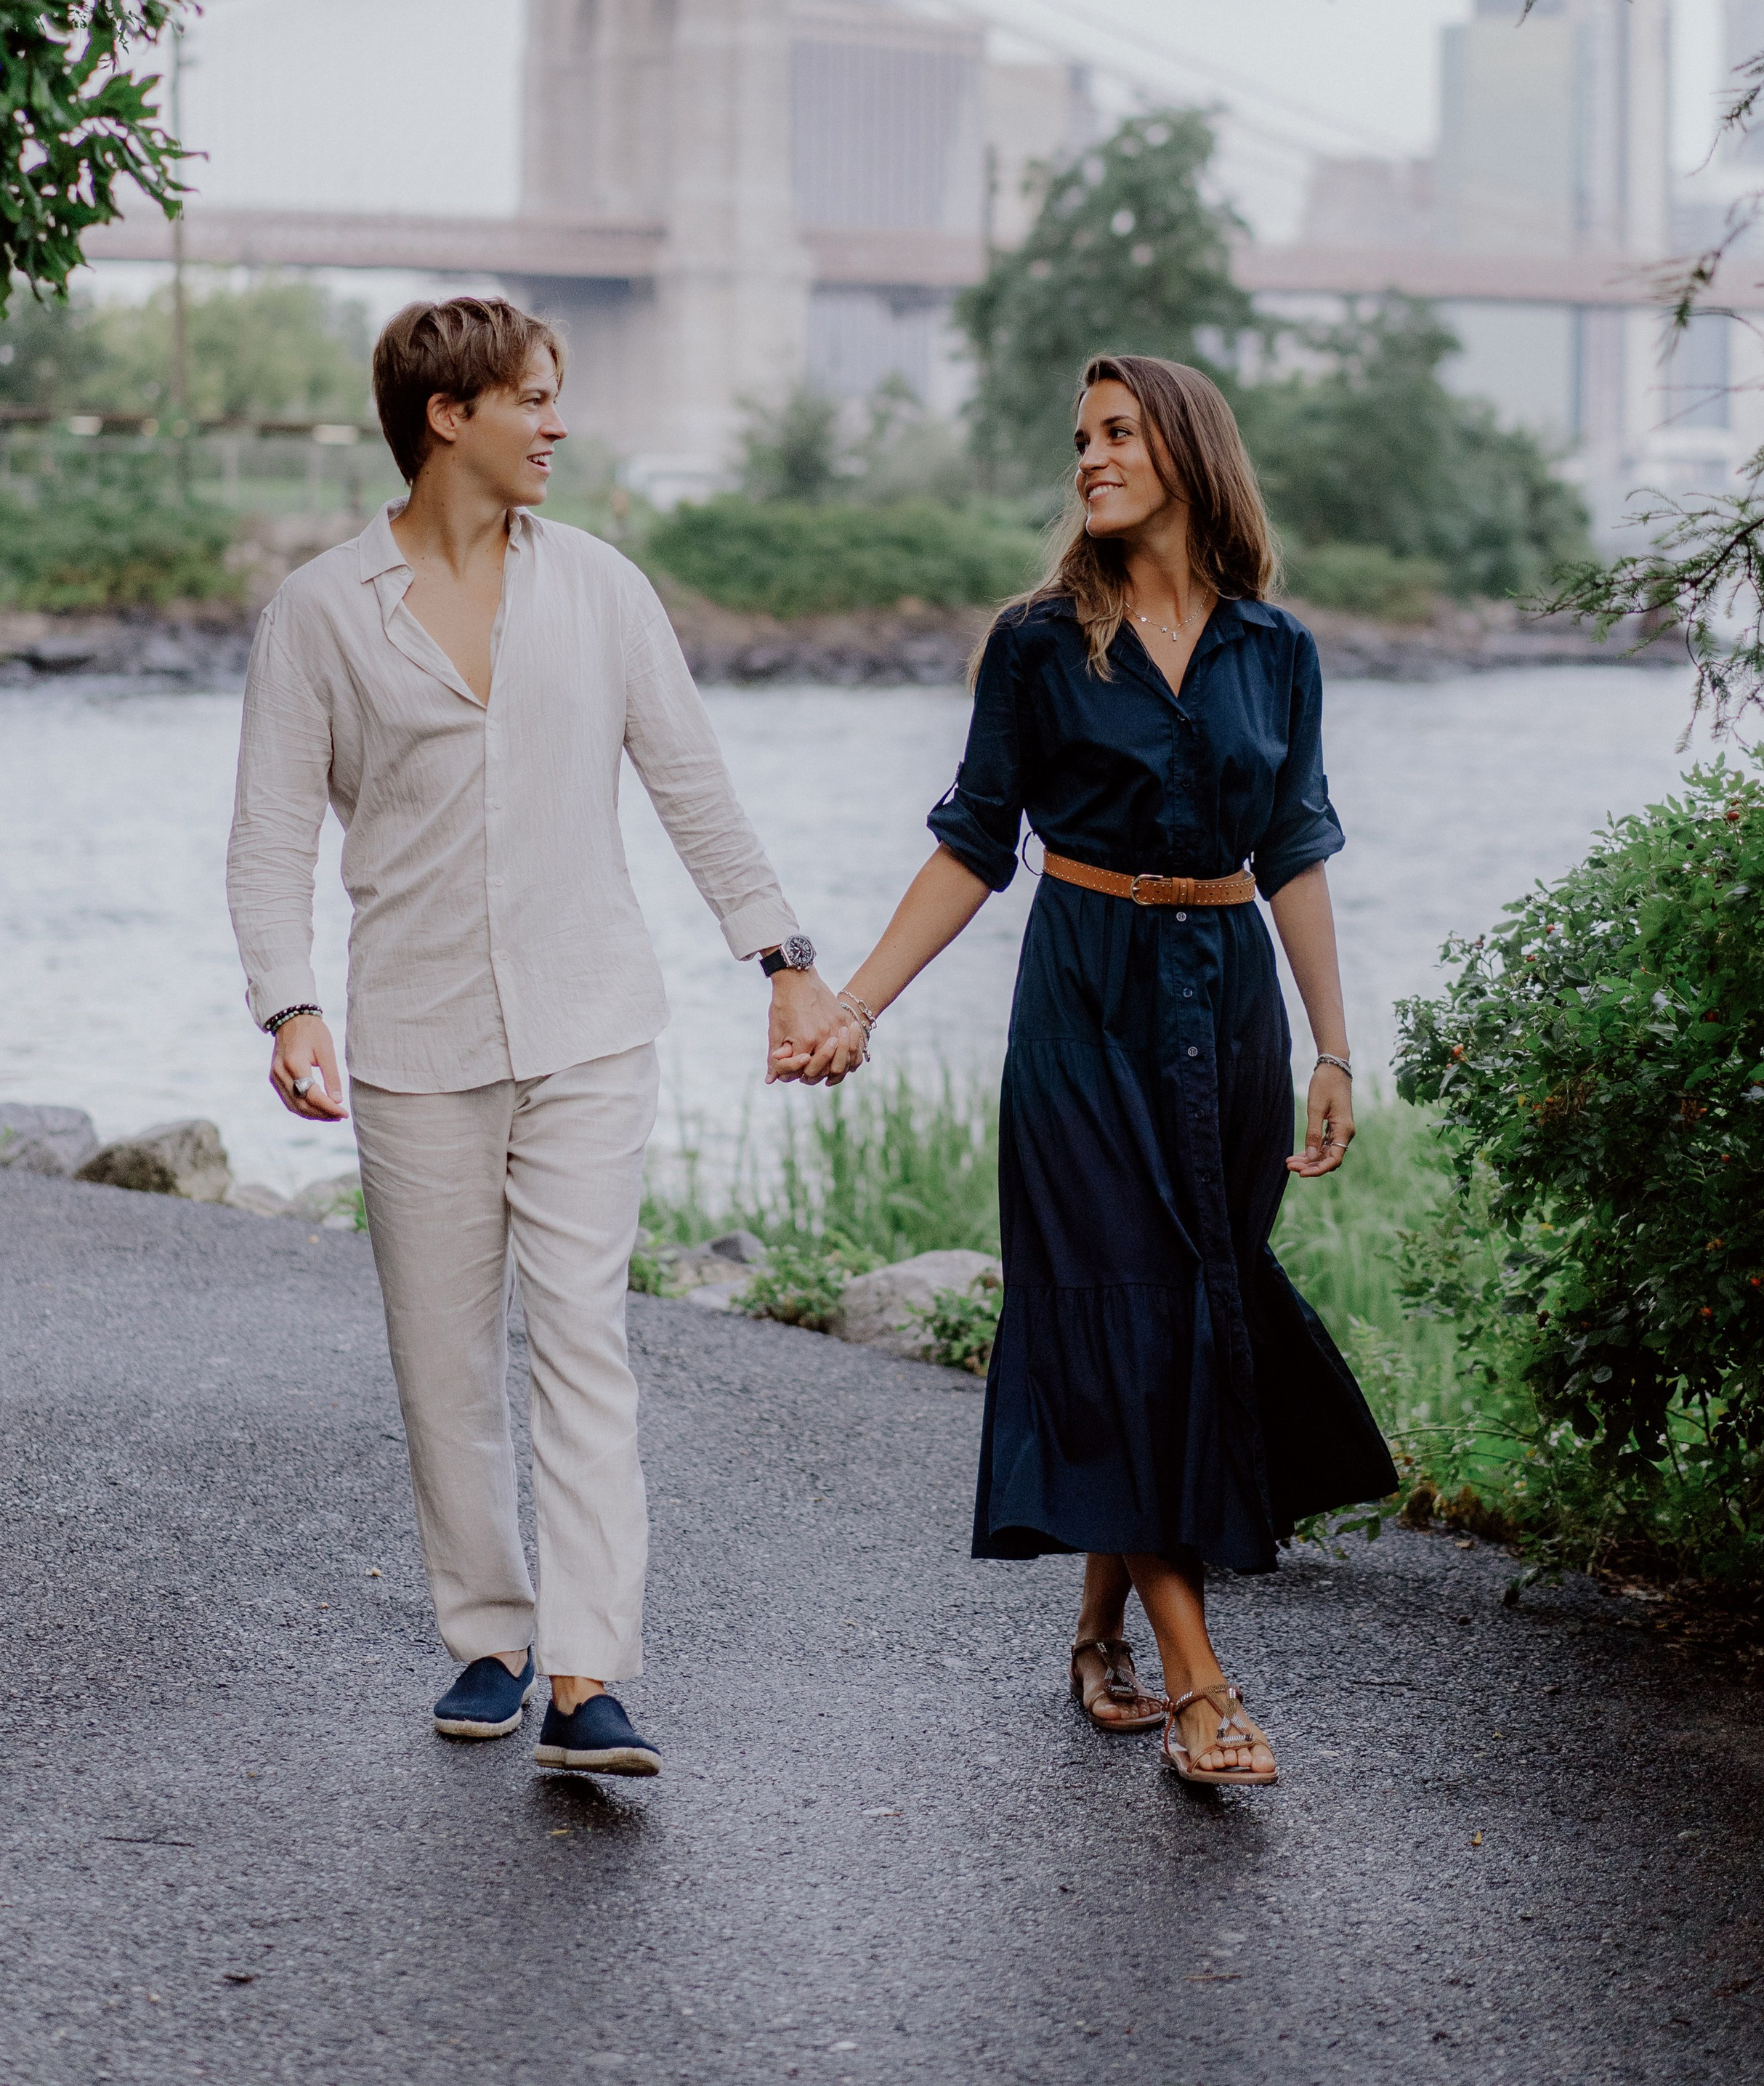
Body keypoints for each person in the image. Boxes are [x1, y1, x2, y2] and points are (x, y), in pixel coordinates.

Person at [225, 297, 846, 1779]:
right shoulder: (319, 611)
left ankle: (585, 1675)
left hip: (589, 1023)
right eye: (534, 399)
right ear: (450, 417)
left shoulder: (605, 591)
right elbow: (264, 841)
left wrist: (783, 958)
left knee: (582, 1334)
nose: (558, 424)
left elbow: (691, 786)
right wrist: (287, 999)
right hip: (413, 1035)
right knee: (442, 1358)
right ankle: (490, 1637)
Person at [809, 353, 1397, 1786]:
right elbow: (971, 839)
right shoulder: (1037, 642)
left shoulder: (1276, 648)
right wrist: (859, 1003)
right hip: (1081, 1004)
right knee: (1115, 1315)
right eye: (1079, 438)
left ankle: (1098, 1631)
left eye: (1119, 431)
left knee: (1183, 1323)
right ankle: (1201, 1691)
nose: (1089, 456)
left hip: (1229, 1015)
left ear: (1188, 449)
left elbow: (1297, 846)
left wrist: (1331, 1044)